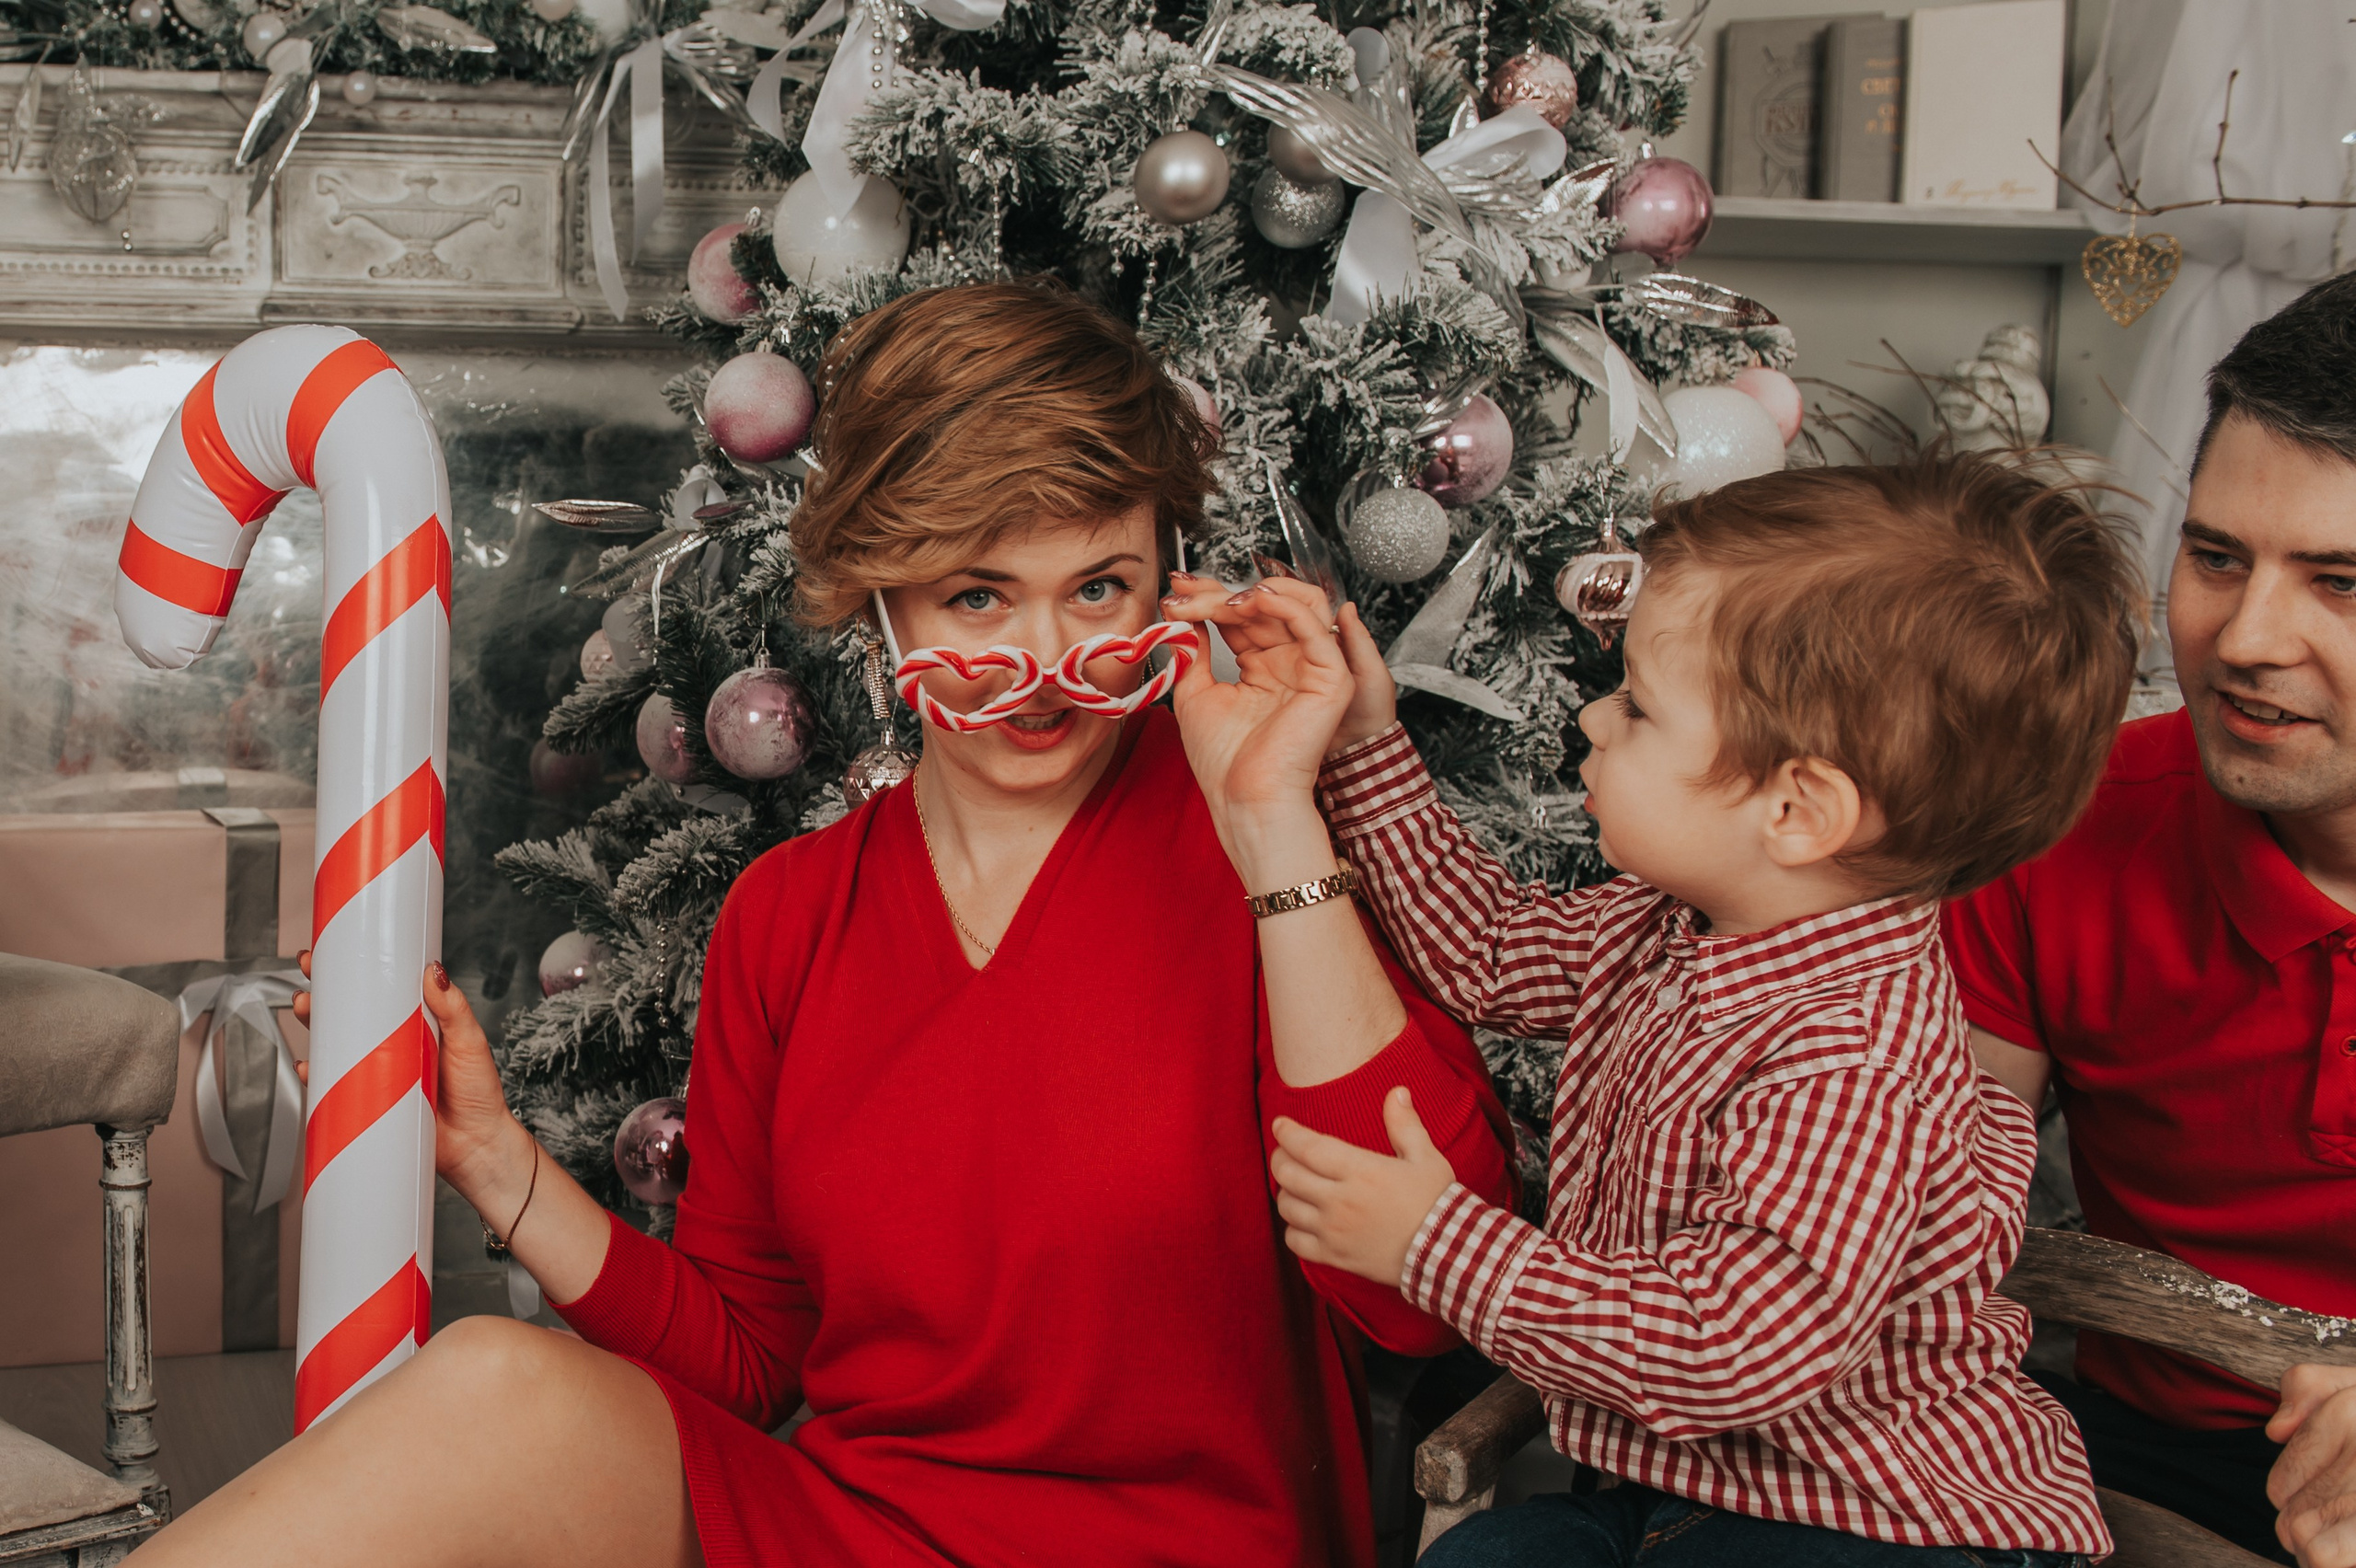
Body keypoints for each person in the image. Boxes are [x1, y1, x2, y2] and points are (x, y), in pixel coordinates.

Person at [129, 281, 1513, 1568]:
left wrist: (1279, 826)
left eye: (1098, 587)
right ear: (881, 597)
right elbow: (751, 1360)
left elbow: (1422, 1303)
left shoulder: (1270, 854)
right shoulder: (792, 914)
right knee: (492, 1381)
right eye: (981, 594)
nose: (1043, 668)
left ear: (1167, 582)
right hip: (855, 1535)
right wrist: (499, 1166)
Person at [1163, 454, 2143, 1565]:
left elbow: (1727, 1350)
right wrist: (1361, 745)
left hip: (1877, 1520)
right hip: (1665, 1488)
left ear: (1796, 808)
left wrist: (1439, 1245)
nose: (1591, 715)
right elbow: (1482, 950)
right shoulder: (1673, 925)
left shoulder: (1848, 1062)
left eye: (1637, 705)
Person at [1946, 271, 2356, 1568]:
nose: (2244, 636)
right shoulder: (2068, 825)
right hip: (2133, 1462)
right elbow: (1923, 1210)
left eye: (2340, 581)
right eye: (2218, 555)